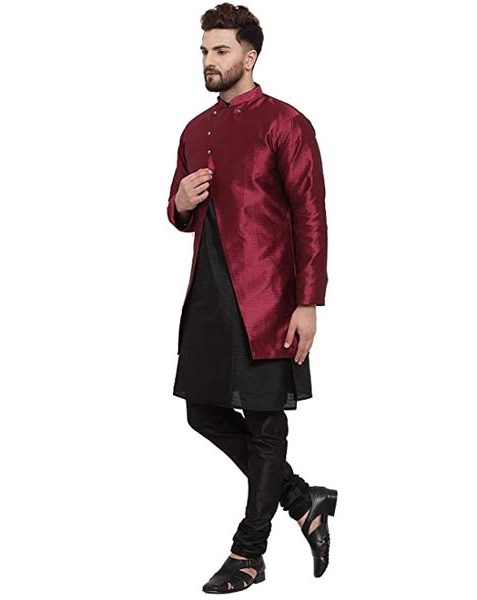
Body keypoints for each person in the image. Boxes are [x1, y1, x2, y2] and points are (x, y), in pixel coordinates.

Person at [166, 3, 338, 593]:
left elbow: (310, 216)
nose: (209, 61)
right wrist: (181, 203)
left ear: (250, 56)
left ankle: (249, 553)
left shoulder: (286, 123)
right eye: (204, 51)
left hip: (268, 299)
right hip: (208, 297)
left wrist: (307, 301)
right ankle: (302, 499)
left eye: (221, 50)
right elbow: (178, 213)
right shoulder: (194, 130)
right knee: (201, 411)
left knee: (265, 423)